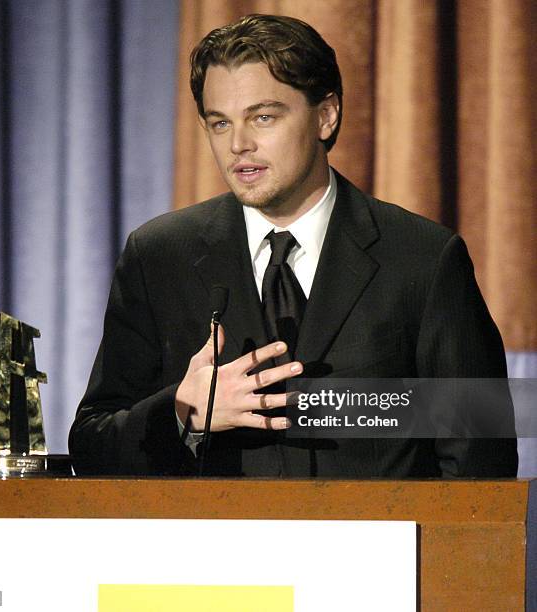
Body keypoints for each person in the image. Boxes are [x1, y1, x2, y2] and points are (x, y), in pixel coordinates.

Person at [69, 14, 517, 478]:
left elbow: (481, 465)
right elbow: (92, 444)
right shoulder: (159, 256)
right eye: (219, 124)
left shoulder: (423, 258)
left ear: (326, 115)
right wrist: (184, 415)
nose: (238, 144)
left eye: (263, 117)